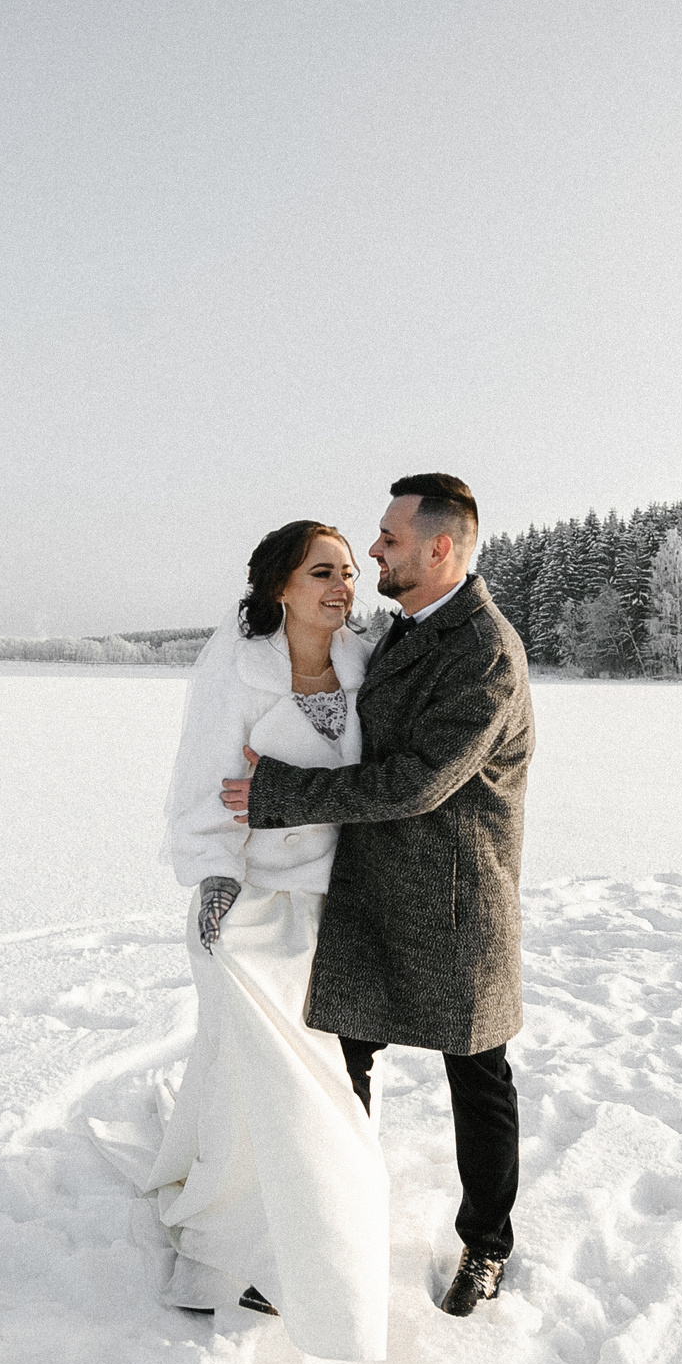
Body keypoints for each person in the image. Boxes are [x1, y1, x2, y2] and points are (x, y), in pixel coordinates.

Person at [219, 473, 533, 1317]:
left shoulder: (485, 652)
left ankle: (487, 1246)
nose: (374, 552)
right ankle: (328, 1240)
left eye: (389, 539)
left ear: (440, 548)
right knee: (341, 1067)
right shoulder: (398, 630)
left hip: (456, 903)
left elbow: (419, 781)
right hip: (370, 889)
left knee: (477, 1074)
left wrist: (284, 793)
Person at [143, 518, 390, 1361]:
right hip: (248, 907)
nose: (343, 586)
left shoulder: (365, 662)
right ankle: (235, 1249)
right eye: (323, 571)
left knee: (323, 1075)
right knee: (254, 1077)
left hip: (338, 904)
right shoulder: (237, 667)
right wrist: (213, 880)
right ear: (279, 585)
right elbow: (199, 786)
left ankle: (324, 1227)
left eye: (351, 572)